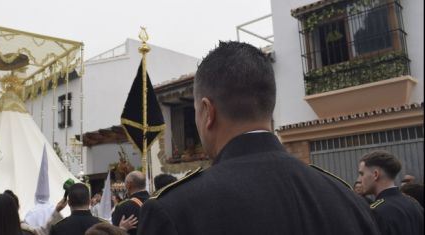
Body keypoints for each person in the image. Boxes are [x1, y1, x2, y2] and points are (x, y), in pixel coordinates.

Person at [137, 41, 380, 235]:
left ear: (208, 112)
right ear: (269, 108)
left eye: (195, 115)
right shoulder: (347, 199)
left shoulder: (174, 210)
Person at [357, 150, 424, 235]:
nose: (359, 179)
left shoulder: (376, 211)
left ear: (375, 174)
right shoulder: (414, 203)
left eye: (362, 174)